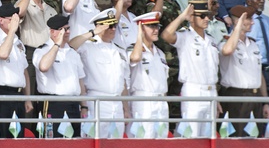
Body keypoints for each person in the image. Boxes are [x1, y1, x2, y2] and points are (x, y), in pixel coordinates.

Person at [160, 0, 220, 138]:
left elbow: (212, 71)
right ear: (192, 18)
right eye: (202, 16)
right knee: (192, 136)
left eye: (208, 15)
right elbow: (166, 35)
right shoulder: (186, 36)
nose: (206, 19)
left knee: (209, 137)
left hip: (210, 91)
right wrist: (182, 16)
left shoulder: (211, 40)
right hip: (194, 91)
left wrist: (215, 98)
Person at [70, 8, 130, 139]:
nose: (113, 29)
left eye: (115, 25)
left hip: (117, 103)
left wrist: (126, 108)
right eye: (109, 26)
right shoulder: (88, 46)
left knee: (116, 145)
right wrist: (92, 33)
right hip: (97, 102)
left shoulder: (119, 50)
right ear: (99, 27)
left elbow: (123, 81)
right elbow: (71, 46)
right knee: (94, 143)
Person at [219, 5, 269, 136]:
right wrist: (237, 28)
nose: (253, 22)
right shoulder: (225, 42)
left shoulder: (253, 45)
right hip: (236, 97)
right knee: (237, 139)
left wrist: (265, 102)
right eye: (249, 19)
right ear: (238, 21)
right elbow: (228, 50)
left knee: (257, 140)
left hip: (255, 97)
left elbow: (259, 75)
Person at [33, 14, 85, 135]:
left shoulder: (73, 52)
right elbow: (44, 67)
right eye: (63, 29)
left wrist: (84, 106)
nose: (67, 32)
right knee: (53, 143)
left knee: (75, 143)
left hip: (73, 104)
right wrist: (57, 44)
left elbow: (80, 81)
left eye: (68, 29)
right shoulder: (42, 50)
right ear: (52, 32)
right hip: (53, 103)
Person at [0, 3, 33, 131]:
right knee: (1, 134)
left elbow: (24, 71)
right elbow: (3, 54)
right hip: (0, 93)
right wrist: (11, 32)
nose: (16, 23)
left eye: (17, 19)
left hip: (18, 94)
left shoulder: (18, 42)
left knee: (18, 137)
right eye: (12, 19)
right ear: (1, 20)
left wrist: (27, 98)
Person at [128, 12, 169, 138]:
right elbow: (135, 58)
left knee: (162, 139)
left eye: (157, 26)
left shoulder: (160, 53)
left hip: (161, 101)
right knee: (144, 139)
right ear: (141, 28)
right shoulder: (133, 49)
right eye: (151, 26)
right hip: (144, 101)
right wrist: (139, 36)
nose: (155, 30)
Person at [245, 0, 269, 97]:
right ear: (249, 1)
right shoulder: (245, 21)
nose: (262, 1)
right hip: (254, 68)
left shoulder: (267, 20)